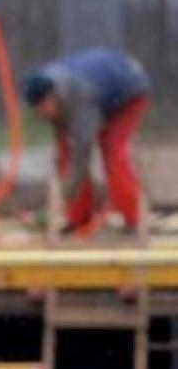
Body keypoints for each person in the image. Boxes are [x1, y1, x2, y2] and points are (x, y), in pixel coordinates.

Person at [23, 48, 150, 234]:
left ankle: (134, 220)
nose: (40, 115)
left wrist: (61, 201)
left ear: (51, 98)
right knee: (65, 156)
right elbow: (65, 149)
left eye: (42, 109)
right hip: (99, 91)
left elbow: (82, 156)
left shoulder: (80, 100)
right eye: (37, 110)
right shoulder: (48, 88)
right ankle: (78, 218)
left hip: (129, 90)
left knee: (112, 151)